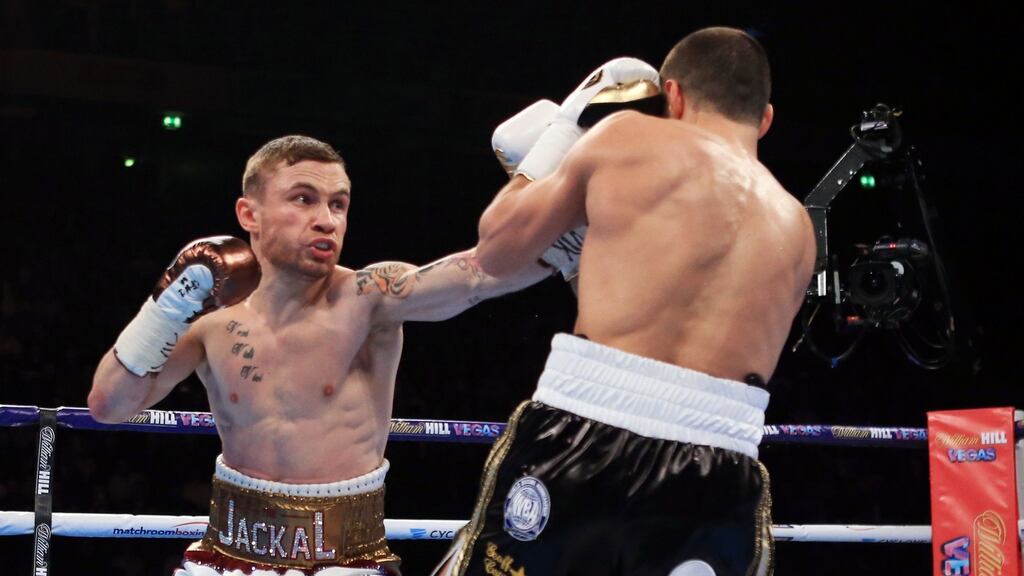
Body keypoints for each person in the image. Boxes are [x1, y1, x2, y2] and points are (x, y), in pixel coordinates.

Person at [436, 28, 817, 576]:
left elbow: (494, 251)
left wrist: (564, 128)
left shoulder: (627, 137)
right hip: (723, 464)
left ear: (674, 96)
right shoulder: (799, 228)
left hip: (585, 431)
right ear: (765, 119)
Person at [87, 135, 556, 576]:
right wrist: (164, 308)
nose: (327, 220)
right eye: (303, 199)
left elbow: (480, 274)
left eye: (339, 204)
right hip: (228, 553)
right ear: (249, 215)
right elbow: (110, 405)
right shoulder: (210, 320)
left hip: (346, 558)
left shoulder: (368, 297)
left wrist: (559, 185)